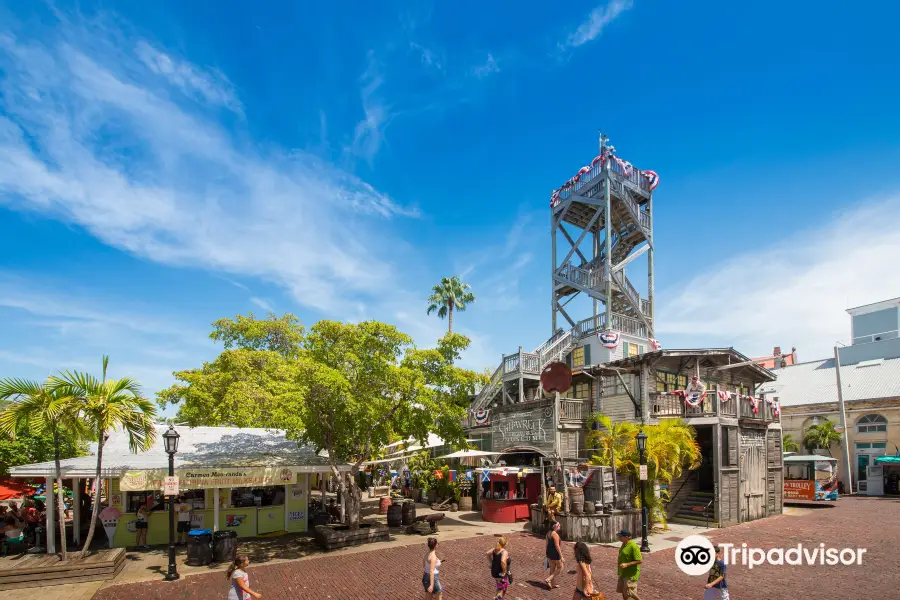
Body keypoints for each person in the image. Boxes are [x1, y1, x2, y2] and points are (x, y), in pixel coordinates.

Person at [616, 529, 642, 600]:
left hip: (630, 575)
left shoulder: (633, 546)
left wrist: (627, 564)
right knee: (624, 592)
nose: (619, 538)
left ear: (627, 537)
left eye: (621, 536)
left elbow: (639, 560)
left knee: (630, 593)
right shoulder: (624, 544)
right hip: (623, 573)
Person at [487, 535, 510, 599]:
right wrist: (504, 571)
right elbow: (503, 561)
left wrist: (491, 564)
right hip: (500, 574)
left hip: (494, 572)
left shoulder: (495, 549)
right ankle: (497, 598)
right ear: (505, 544)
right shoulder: (504, 552)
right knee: (502, 589)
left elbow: (487, 553)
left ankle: (497, 597)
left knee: (499, 587)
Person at [545, 520, 564, 589]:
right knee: (560, 567)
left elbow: (546, 545)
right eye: (558, 525)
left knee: (552, 569)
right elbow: (557, 546)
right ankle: (548, 579)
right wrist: (561, 556)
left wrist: (546, 554)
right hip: (555, 554)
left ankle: (552, 584)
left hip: (549, 553)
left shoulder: (548, 533)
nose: (560, 526)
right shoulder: (555, 535)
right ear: (554, 526)